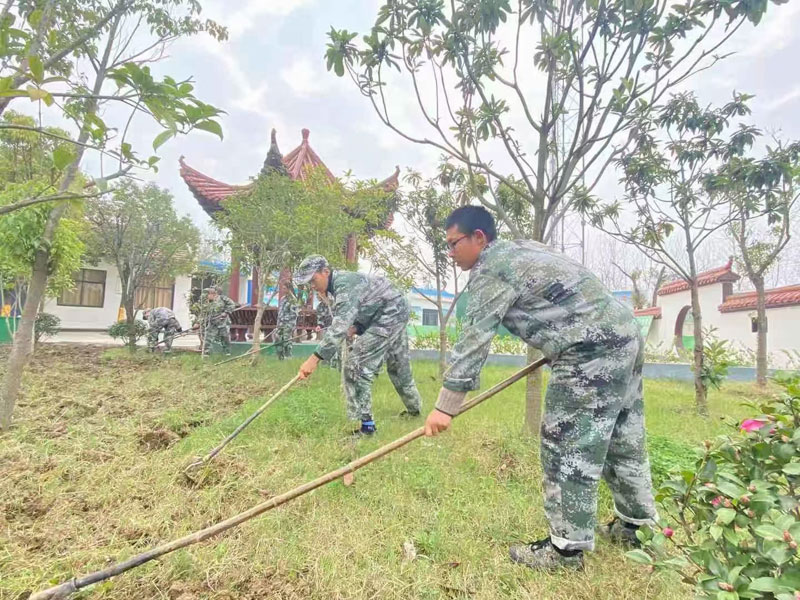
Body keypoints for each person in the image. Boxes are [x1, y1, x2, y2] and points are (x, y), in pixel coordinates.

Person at [423, 206, 657, 571]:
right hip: (623, 332)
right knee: (623, 436)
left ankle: (565, 551)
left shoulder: (491, 269)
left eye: (454, 244)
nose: (450, 253)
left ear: (479, 238)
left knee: (567, 444)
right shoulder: (523, 249)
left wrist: (445, 406)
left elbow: (473, 339)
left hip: (589, 348)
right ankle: (637, 528)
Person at [294, 256, 422, 436]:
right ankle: (414, 410)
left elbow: (339, 326)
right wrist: (356, 328)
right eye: (309, 283)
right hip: (393, 309)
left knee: (356, 365)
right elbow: (365, 306)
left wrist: (314, 359)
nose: (312, 286)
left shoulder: (343, 284)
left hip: (391, 313)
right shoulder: (339, 284)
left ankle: (367, 427)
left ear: (326, 272)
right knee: (398, 364)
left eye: (313, 280)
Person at [199, 286, 236, 355]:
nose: (206, 296)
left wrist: (225, 312)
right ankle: (206, 353)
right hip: (212, 323)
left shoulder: (222, 298)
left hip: (223, 322)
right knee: (208, 338)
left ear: (214, 294)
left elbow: (232, 305)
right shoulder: (206, 302)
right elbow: (203, 313)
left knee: (225, 338)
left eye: (208, 294)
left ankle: (227, 353)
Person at [275, 288, 300, 360]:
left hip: (288, 324)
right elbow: (280, 312)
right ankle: (280, 357)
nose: (283, 290)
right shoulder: (283, 299)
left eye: (285, 288)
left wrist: (284, 320)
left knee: (286, 340)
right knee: (278, 339)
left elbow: (294, 314)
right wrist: (279, 322)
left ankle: (288, 356)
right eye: (283, 288)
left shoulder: (293, 300)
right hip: (280, 324)